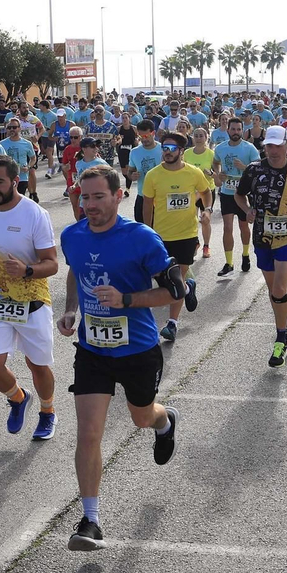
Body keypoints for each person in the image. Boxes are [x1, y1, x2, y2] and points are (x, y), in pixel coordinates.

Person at [57, 166, 183, 551]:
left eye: (98, 196)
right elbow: (77, 273)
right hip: (92, 349)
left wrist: (127, 299)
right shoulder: (72, 235)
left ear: (119, 196)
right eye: (84, 196)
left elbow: (174, 293)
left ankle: (165, 420)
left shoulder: (141, 239)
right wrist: (70, 310)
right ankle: (90, 520)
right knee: (89, 432)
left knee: (141, 417)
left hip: (138, 349)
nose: (89, 204)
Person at [0, 156, 60, 439]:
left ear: (14, 182)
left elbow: (52, 263)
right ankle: (18, 398)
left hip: (32, 299)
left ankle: (47, 411)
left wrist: (27, 269)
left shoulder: (34, 214)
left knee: (37, 364)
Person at [238, 126, 287, 367]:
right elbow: (238, 195)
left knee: (280, 288)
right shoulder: (253, 170)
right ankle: (284, 322)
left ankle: (281, 337)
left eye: (277, 145)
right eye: (269, 146)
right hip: (263, 234)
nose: (273, 150)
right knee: (274, 291)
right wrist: (247, 210)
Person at [139, 133, 208, 343]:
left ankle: (172, 324)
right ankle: (189, 287)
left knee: (177, 278)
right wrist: (146, 231)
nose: (167, 152)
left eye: (171, 148)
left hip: (187, 234)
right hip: (161, 235)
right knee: (163, 281)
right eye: (165, 148)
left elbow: (206, 192)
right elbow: (147, 205)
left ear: (181, 151)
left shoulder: (193, 173)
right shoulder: (153, 175)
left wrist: (208, 209)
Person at [212, 118, 259, 276]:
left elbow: (259, 169)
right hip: (227, 193)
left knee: (244, 227)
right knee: (227, 227)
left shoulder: (249, 148)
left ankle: (245, 255)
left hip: (243, 193)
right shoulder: (221, 148)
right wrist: (219, 174)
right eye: (233, 129)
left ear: (242, 130)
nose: (236, 132)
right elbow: (215, 162)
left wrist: (245, 168)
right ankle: (229, 263)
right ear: (228, 131)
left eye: (239, 130)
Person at [183, 127, 216, 259]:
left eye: (201, 136)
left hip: (207, 190)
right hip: (191, 190)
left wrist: (212, 173)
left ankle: (206, 246)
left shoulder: (211, 154)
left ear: (206, 137)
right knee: (191, 219)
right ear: (192, 138)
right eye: (196, 136)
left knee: (205, 219)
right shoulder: (187, 153)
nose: (198, 138)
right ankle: (195, 242)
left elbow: (218, 174)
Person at [126, 121, 164, 223]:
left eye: (147, 136)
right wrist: (132, 176)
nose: (144, 139)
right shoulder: (134, 152)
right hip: (142, 196)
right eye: (140, 136)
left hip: (161, 197)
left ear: (153, 133)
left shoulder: (163, 149)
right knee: (142, 230)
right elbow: (129, 172)